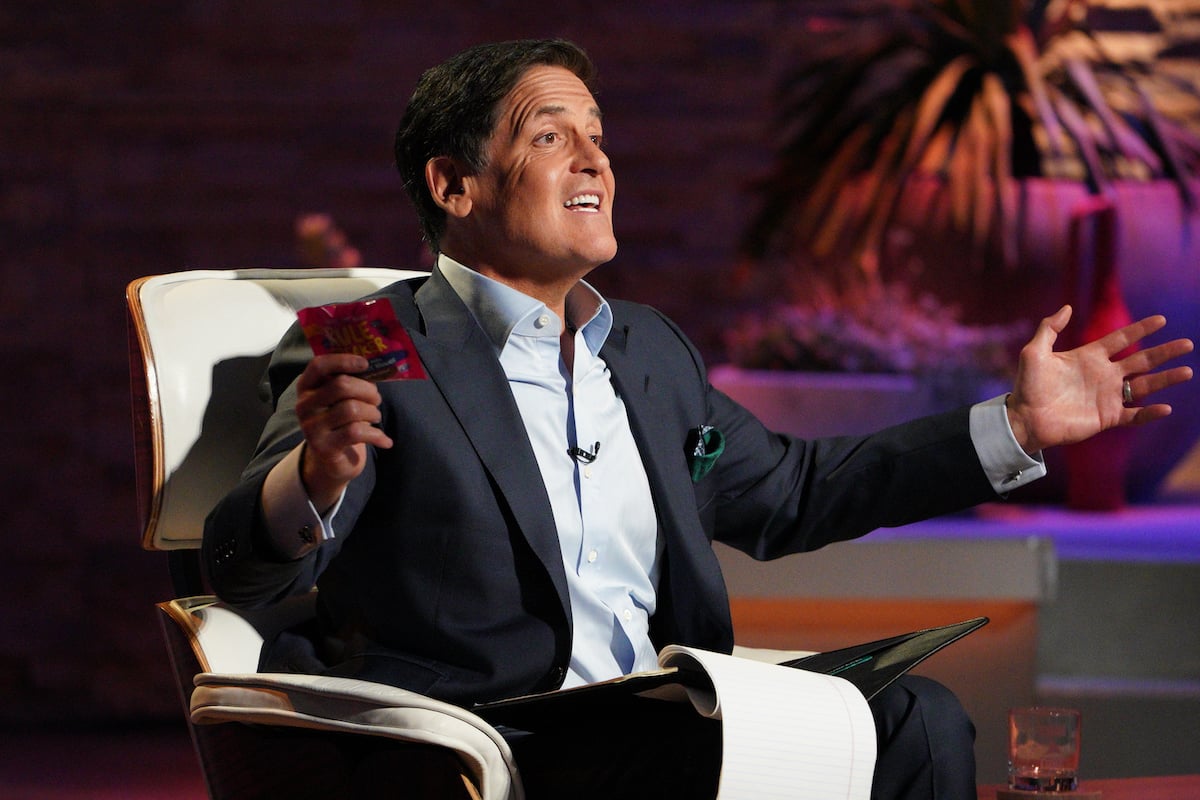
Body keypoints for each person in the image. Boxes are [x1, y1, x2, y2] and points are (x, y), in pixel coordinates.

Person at [204, 39, 1194, 799]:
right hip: (499, 733)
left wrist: (1013, 426)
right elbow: (246, 564)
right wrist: (316, 476)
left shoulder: (647, 353)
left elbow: (794, 491)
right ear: (452, 184)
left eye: (598, 135)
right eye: (550, 135)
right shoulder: (377, 341)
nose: (594, 159)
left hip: (667, 707)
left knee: (917, 716)